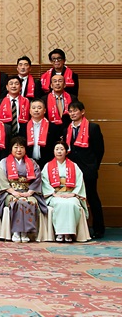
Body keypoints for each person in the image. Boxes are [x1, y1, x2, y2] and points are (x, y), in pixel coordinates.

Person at [0, 136, 46, 243]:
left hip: (28, 192)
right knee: (17, 202)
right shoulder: (3, 163)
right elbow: (2, 180)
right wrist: (14, 192)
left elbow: (37, 179)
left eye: (22, 147)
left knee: (30, 202)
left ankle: (25, 232)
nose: (19, 150)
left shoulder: (32, 163)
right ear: (11, 149)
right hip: (10, 192)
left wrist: (29, 192)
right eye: (16, 147)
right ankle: (16, 231)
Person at [66, 101, 105, 239]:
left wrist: (94, 166)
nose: (72, 113)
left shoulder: (93, 128)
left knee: (92, 198)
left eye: (75, 110)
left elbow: (99, 150)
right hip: (73, 170)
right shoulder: (67, 129)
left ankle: (99, 229)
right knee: (74, 198)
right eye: (70, 111)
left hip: (88, 169)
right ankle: (76, 229)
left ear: (82, 112)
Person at [42, 141, 88, 242]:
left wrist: (73, 194)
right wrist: (53, 193)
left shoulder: (74, 166)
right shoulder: (48, 166)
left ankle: (68, 233)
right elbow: (44, 182)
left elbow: (79, 181)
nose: (59, 151)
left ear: (66, 152)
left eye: (62, 149)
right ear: (53, 151)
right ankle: (59, 233)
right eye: (57, 149)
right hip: (55, 195)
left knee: (72, 204)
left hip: (70, 194)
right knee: (59, 203)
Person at [21, 98, 59, 167]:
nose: (36, 110)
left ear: (44, 110)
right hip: (28, 162)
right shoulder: (23, 127)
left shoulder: (52, 127)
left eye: (39, 108)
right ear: (29, 111)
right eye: (33, 108)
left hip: (48, 162)